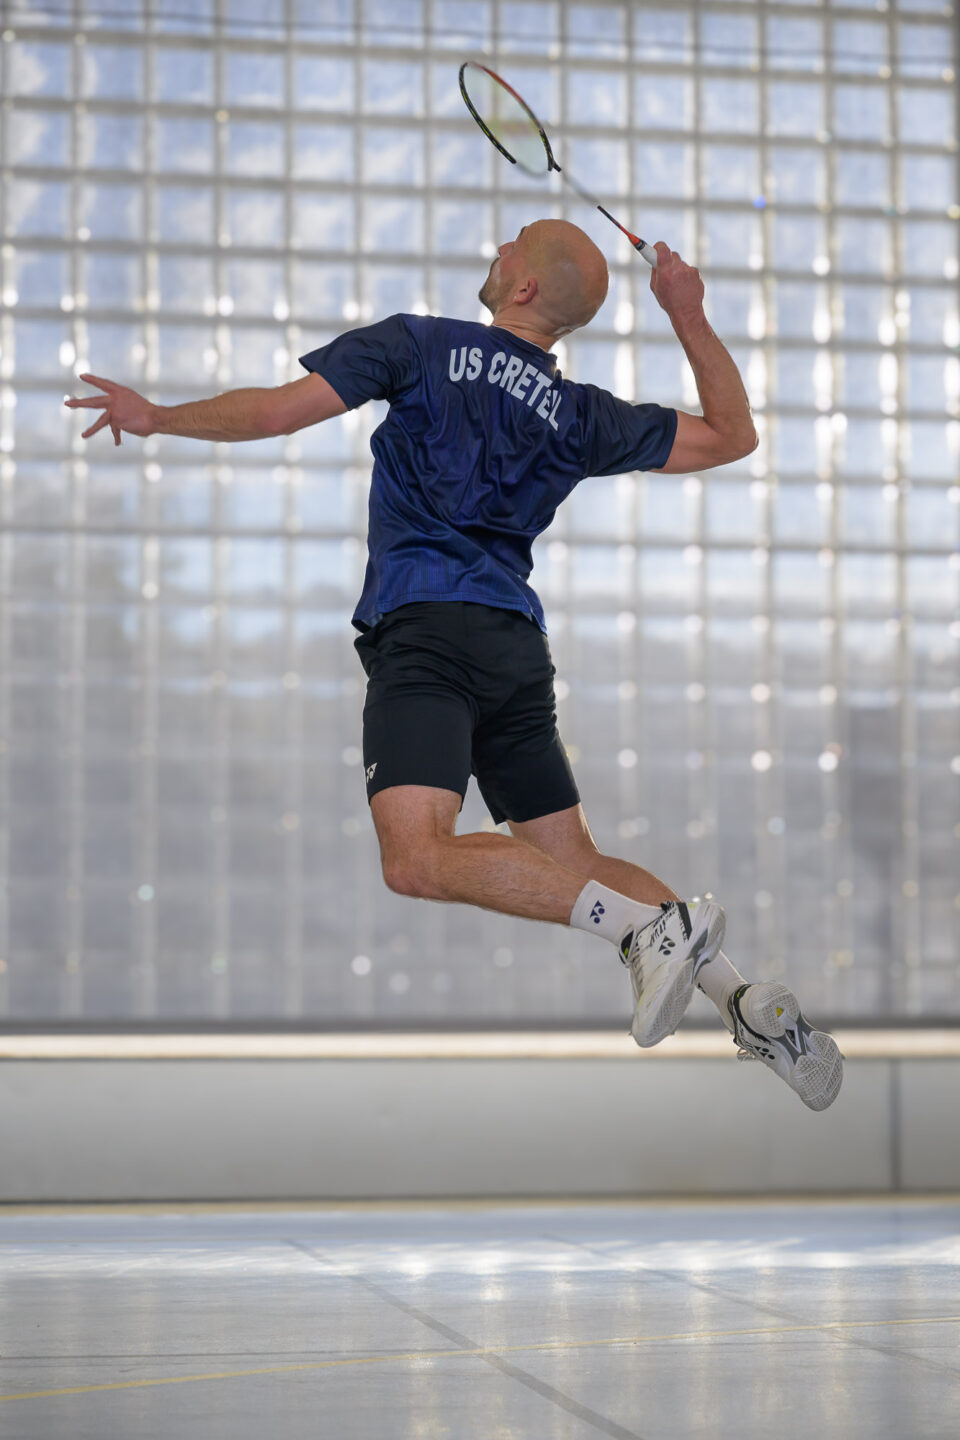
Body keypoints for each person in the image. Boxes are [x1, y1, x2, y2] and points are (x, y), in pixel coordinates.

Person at [65, 220, 843, 1110]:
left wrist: (159, 416)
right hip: (513, 646)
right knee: (570, 854)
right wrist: (688, 313)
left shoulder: (420, 345)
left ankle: (640, 933)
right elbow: (733, 435)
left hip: (427, 631)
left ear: (521, 289)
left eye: (509, 245)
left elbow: (279, 412)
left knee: (417, 859)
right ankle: (746, 1006)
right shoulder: (581, 414)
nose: (496, 249)